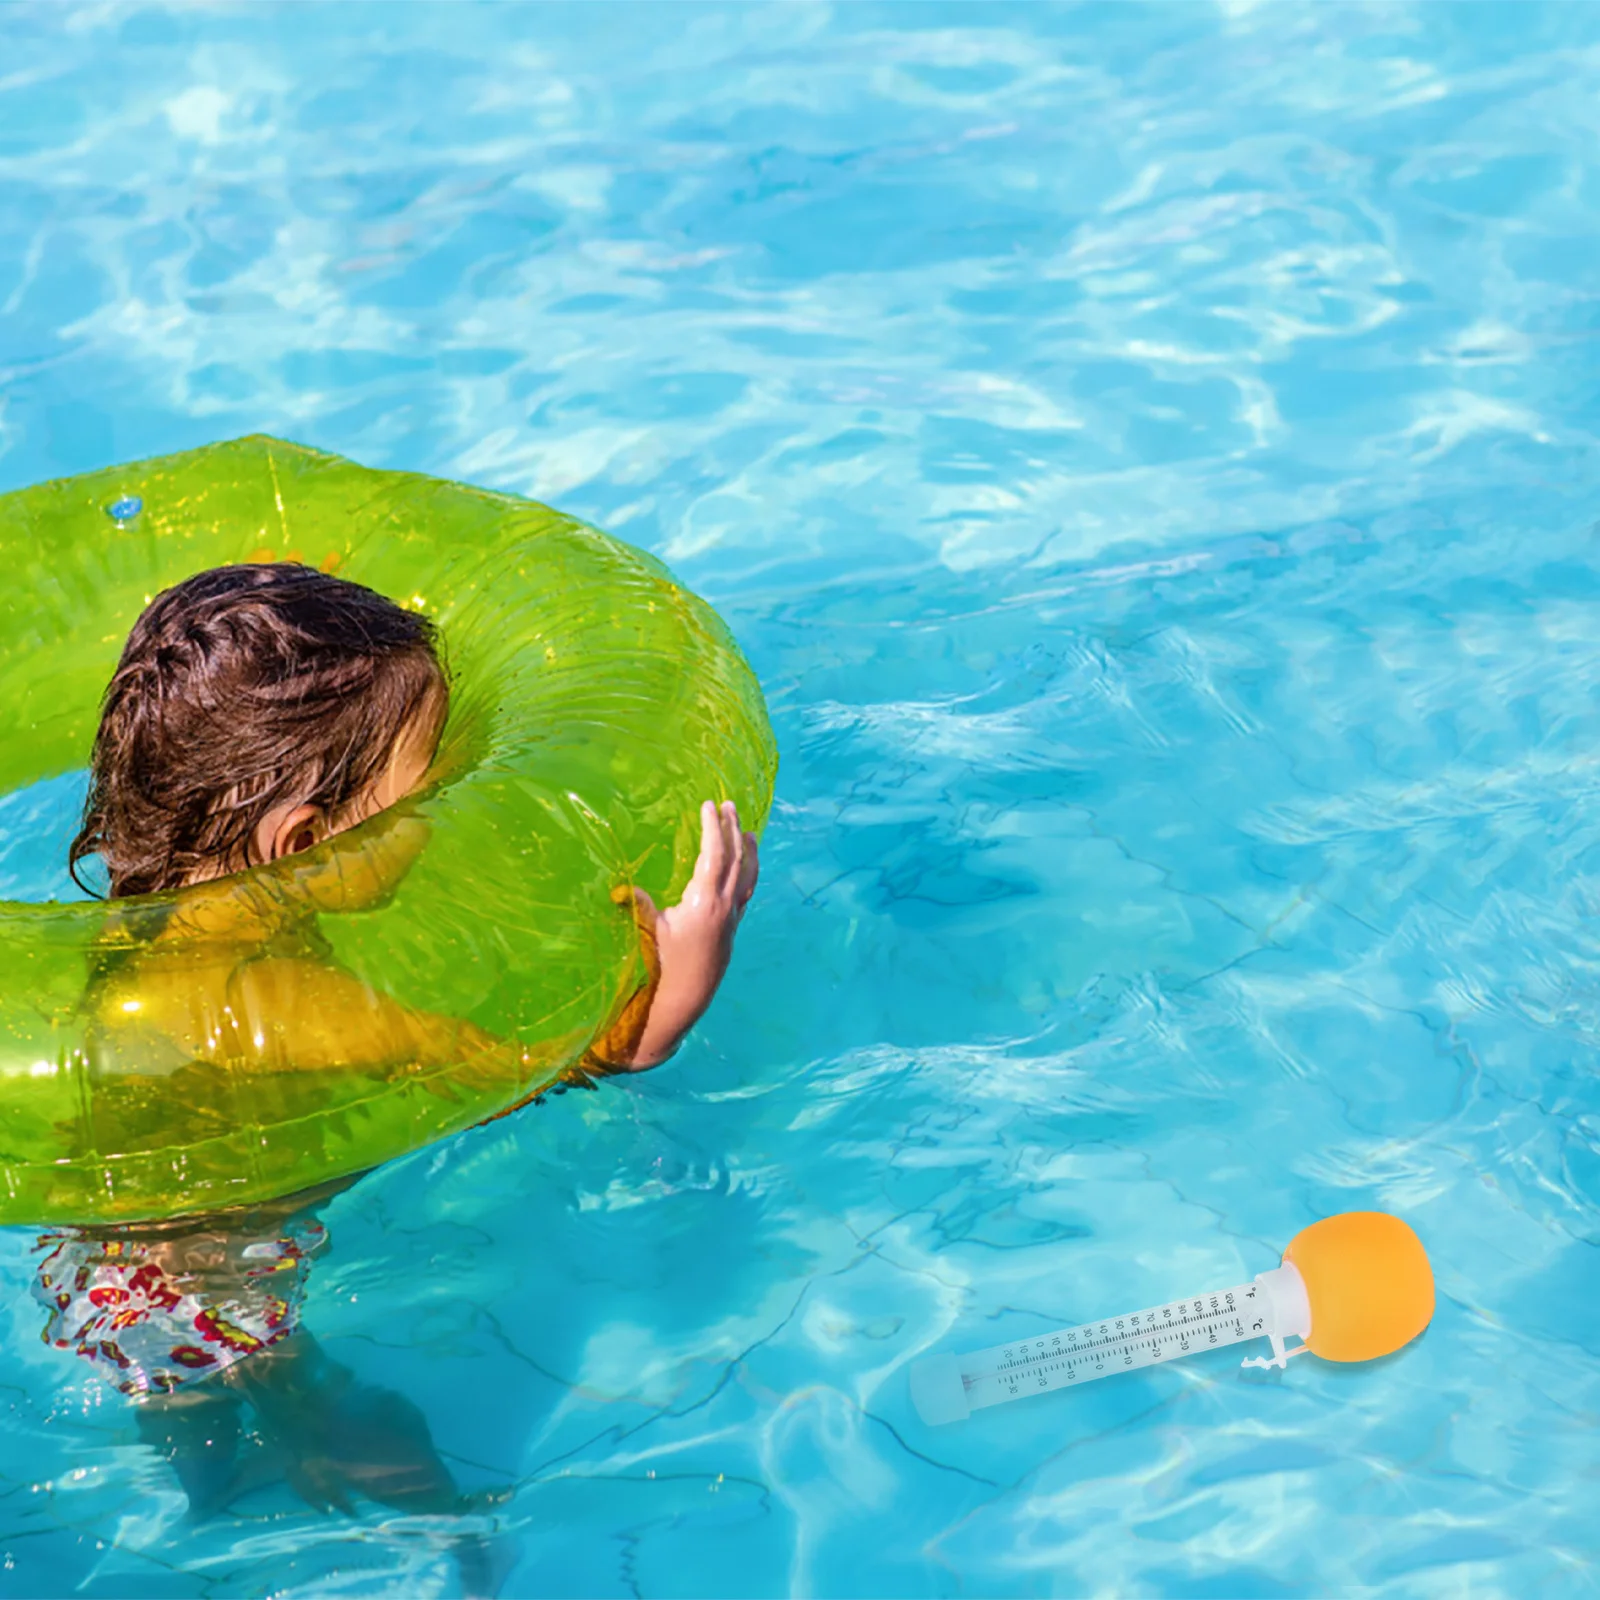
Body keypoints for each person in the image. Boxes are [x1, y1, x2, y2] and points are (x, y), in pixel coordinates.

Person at [37, 561, 760, 1547]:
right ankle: (442, 1543)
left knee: (196, 1456)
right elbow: (527, 1068)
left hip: (102, 1272)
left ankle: (211, 1516)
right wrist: (668, 998)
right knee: (357, 1434)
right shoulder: (284, 1003)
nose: (441, 814)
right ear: (303, 842)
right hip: (219, 1301)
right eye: (423, 795)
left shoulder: (154, 931)